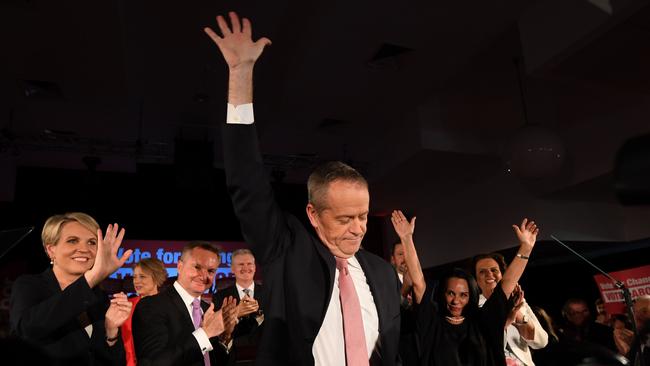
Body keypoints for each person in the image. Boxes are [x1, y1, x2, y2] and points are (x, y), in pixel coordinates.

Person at [204, 12, 402, 365]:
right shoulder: (288, 253)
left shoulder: (384, 274)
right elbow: (247, 183)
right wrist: (240, 74)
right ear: (313, 213)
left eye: (362, 216)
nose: (357, 228)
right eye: (344, 219)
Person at [391, 210, 539, 366]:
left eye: (463, 295)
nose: (456, 300)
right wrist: (406, 238)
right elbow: (419, 282)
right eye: (451, 293)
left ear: (472, 296)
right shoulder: (433, 322)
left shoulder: (482, 320)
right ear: (442, 293)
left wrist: (526, 248)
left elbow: (506, 284)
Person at [10, 212, 133, 365]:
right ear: (51, 250)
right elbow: (28, 330)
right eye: (72, 241)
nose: (84, 249)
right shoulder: (29, 285)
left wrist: (111, 332)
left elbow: (114, 362)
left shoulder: (98, 296)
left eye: (92, 242)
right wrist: (92, 277)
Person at [132, 241, 238, 366]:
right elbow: (154, 362)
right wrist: (205, 334)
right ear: (179, 266)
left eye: (210, 271)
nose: (204, 276)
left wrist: (225, 337)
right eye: (197, 267)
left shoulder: (208, 309)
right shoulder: (150, 306)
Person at [473, 252, 548, 365]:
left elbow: (541, 342)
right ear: (476, 280)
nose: (489, 274)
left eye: (494, 270)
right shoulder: (473, 307)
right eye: (482, 271)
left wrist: (517, 312)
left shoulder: (519, 301)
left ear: (503, 274)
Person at [214, 249, 264, 365]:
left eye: (249, 264)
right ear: (232, 269)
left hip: (264, 356)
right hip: (234, 358)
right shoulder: (220, 297)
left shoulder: (269, 294)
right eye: (241, 264)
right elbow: (218, 332)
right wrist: (236, 313)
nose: (246, 268)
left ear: (255, 267)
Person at [121, 258, 168, 366]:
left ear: (156, 278)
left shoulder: (168, 305)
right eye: (134, 277)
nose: (136, 281)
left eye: (142, 276)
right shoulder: (127, 305)